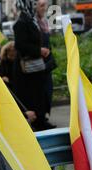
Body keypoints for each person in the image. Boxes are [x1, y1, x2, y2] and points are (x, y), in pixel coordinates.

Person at [13, 0, 55, 130]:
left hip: (36, 68)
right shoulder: (22, 23)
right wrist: (39, 50)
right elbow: (20, 45)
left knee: (40, 95)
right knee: (32, 97)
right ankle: (37, 123)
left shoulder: (31, 20)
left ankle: (41, 120)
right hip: (28, 70)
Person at [36, 0, 57, 122]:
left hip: (47, 63)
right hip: (38, 63)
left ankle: (45, 116)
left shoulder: (44, 22)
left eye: (45, 5)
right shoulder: (34, 23)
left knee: (48, 90)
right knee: (41, 91)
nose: (44, 8)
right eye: (42, 5)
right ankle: (42, 118)